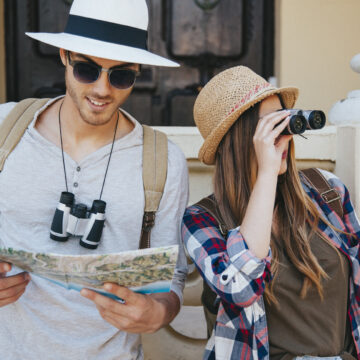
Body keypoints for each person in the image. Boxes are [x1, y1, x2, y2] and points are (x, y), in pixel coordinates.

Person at [0, 0, 188, 359]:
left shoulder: (164, 161)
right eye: (87, 69)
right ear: (64, 56)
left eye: (121, 76)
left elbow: (172, 278)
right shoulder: (5, 130)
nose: (103, 89)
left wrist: (158, 313)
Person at [182, 65, 360, 360]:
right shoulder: (203, 220)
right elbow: (240, 290)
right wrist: (266, 173)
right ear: (236, 140)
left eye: (283, 120)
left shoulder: (327, 190)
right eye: (268, 126)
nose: (282, 134)